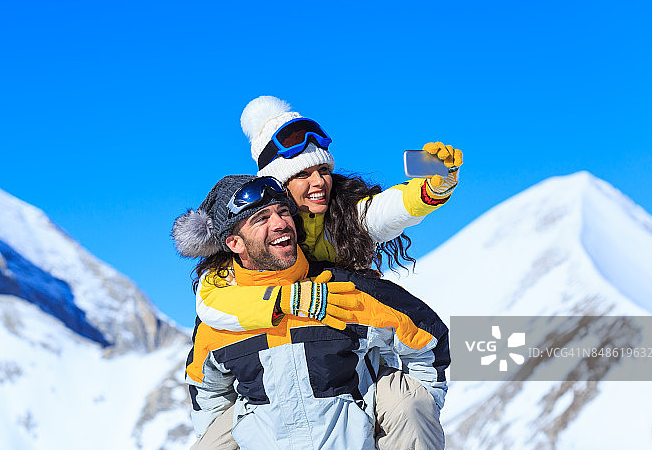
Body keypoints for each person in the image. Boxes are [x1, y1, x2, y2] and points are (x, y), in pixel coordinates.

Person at [173, 175, 454, 450]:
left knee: (407, 398)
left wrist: (415, 413)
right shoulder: (221, 320)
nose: (280, 223)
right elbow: (207, 390)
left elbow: (427, 338)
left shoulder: (340, 290)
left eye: (283, 212)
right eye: (262, 218)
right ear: (234, 243)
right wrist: (249, 439)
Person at [192, 96, 464, 332]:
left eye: (323, 170)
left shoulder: (344, 216)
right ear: (279, 185)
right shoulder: (254, 236)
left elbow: (384, 211)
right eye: (302, 175)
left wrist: (430, 190)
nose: (319, 182)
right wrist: (284, 299)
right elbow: (210, 302)